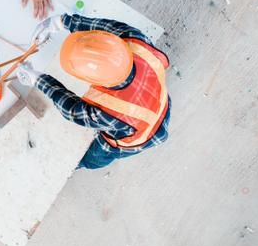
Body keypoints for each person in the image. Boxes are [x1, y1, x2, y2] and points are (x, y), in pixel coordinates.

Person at [16, 14, 171, 169]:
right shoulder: (135, 40)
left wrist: (37, 79)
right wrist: (59, 22)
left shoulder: (111, 112)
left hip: (143, 136)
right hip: (160, 99)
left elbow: (71, 110)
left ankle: (80, 164)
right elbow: (104, 27)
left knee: (96, 156)